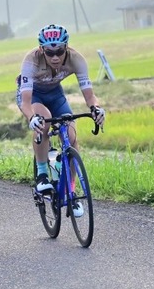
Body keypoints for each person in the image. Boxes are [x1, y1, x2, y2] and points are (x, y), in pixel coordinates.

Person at [18, 24, 105, 213]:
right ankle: (42, 174)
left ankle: (70, 193)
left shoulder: (76, 59)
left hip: (55, 94)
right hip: (33, 96)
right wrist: (32, 117)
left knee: (72, 138)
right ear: (42, 50)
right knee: (44, 121)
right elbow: (25, 103)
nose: (55, 57)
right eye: (50, 53)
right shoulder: (31, 61)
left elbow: (90, 96)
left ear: (66, 47)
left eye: (59, 51)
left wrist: (96, 109)